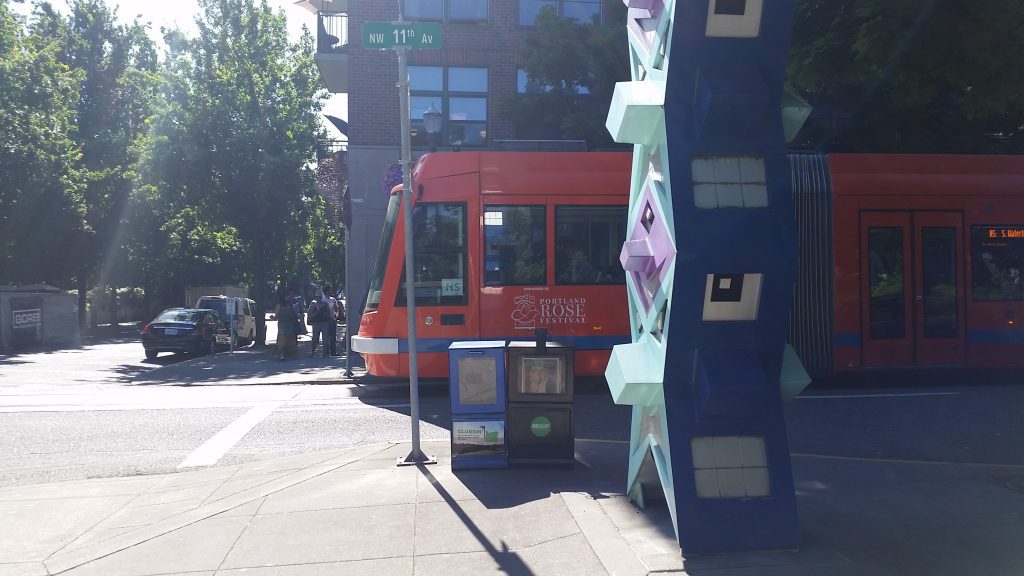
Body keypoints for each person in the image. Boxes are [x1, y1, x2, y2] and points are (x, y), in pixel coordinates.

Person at [274, 291, 298, 360]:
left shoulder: (290, 304)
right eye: (288, 296)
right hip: (282, 324)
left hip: (290, 323)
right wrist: (273, 317)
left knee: (290, 338)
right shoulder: (280, 305)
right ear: (284, 297)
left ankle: (289, 354)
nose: (290, 297)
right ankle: (281, 354)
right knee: (283, 339)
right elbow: (277, 315)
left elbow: (294, 313)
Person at [307, 290, 331, 357]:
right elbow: (310, 314)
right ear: (315, 297)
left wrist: (325, 314)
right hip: (316, 323)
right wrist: (317, 311)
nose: (319, 298)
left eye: (320, 297)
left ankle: (325, 353)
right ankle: (312, 353)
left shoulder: (325, 304)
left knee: (325, 338)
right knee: (315, 338)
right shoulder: (313, 304)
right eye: (318, 297)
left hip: (324, 322)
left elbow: (328, 313)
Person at [323, 285, 339, 356]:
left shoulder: (333, 299)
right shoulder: (322, 299)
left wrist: (336, 315)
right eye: (330, 290)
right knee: (326, 336)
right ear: (327, 291)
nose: (331, 291)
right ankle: (326, 352)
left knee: (333, 336)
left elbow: (336, 308)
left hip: (332, 319)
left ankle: (333, 352)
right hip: (325, 320)